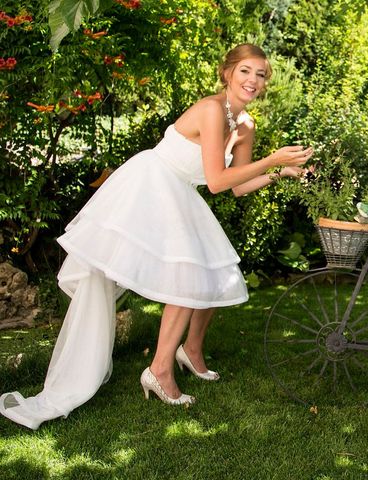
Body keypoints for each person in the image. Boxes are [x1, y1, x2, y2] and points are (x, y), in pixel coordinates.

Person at [0, 43, 313, 429]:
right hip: (151, 185)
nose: (253, 80)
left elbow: (238, 187)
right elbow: (216, 181)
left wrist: (280, 173)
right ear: (228, 72)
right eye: (246, 71)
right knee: (188, 277)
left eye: (261, 75)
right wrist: (274, 159)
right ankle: (160, 369)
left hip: (179, 193)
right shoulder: (212, 111)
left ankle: (189, 352)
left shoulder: (245, 126)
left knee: (216, 275)